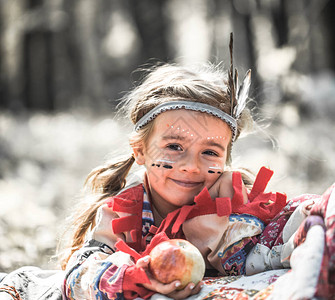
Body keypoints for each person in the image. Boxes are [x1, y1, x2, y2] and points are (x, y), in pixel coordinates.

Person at [58, 36, 287, 300]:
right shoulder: (121, 214)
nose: (191, 166)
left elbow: (283, 238)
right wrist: (139, 279)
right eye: (174, 147)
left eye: (210, 152)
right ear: (141, 151)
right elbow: (79, 276)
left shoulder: (236, 205)